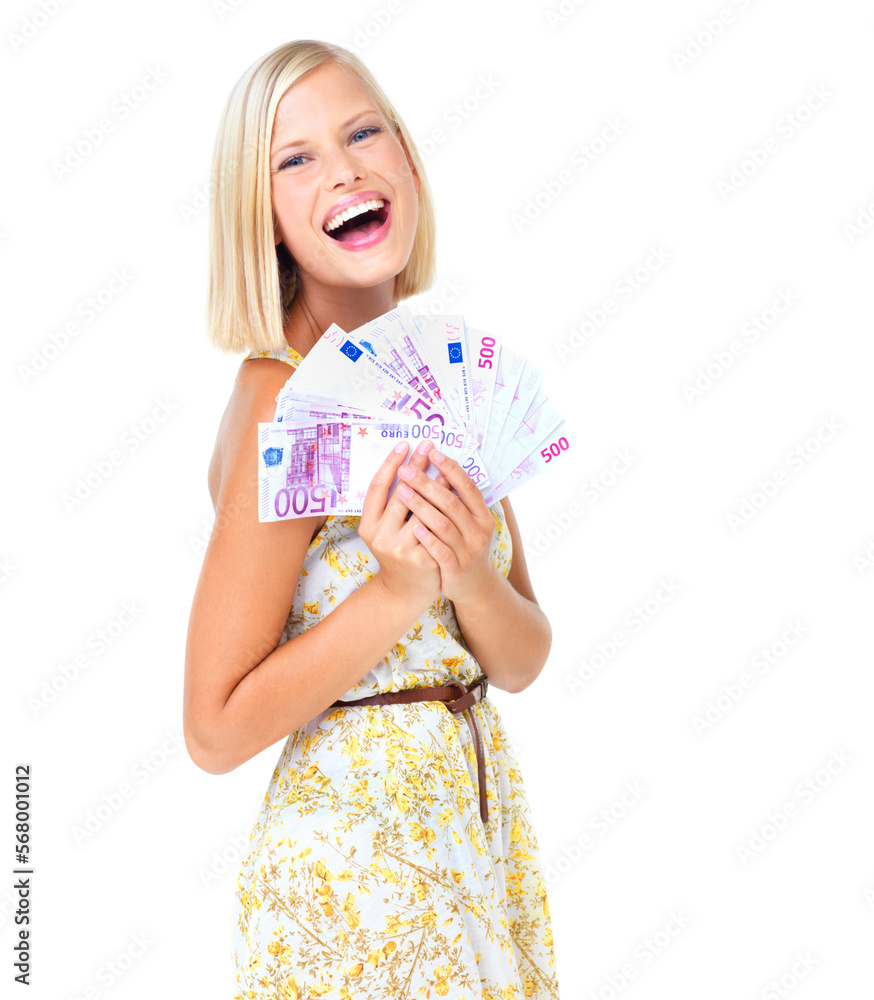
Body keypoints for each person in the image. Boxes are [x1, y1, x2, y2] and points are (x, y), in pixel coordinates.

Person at [183, 38, 562, 999]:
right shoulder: (280, 401)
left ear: (405, 160)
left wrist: (469, 573)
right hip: (355, 883)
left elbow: (519, 661)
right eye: (296, 158)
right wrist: (397, 594)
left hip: (481, 851)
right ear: (262, 217)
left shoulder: (449, 381)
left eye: (362, 132)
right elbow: (213, 730)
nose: (343, 167)